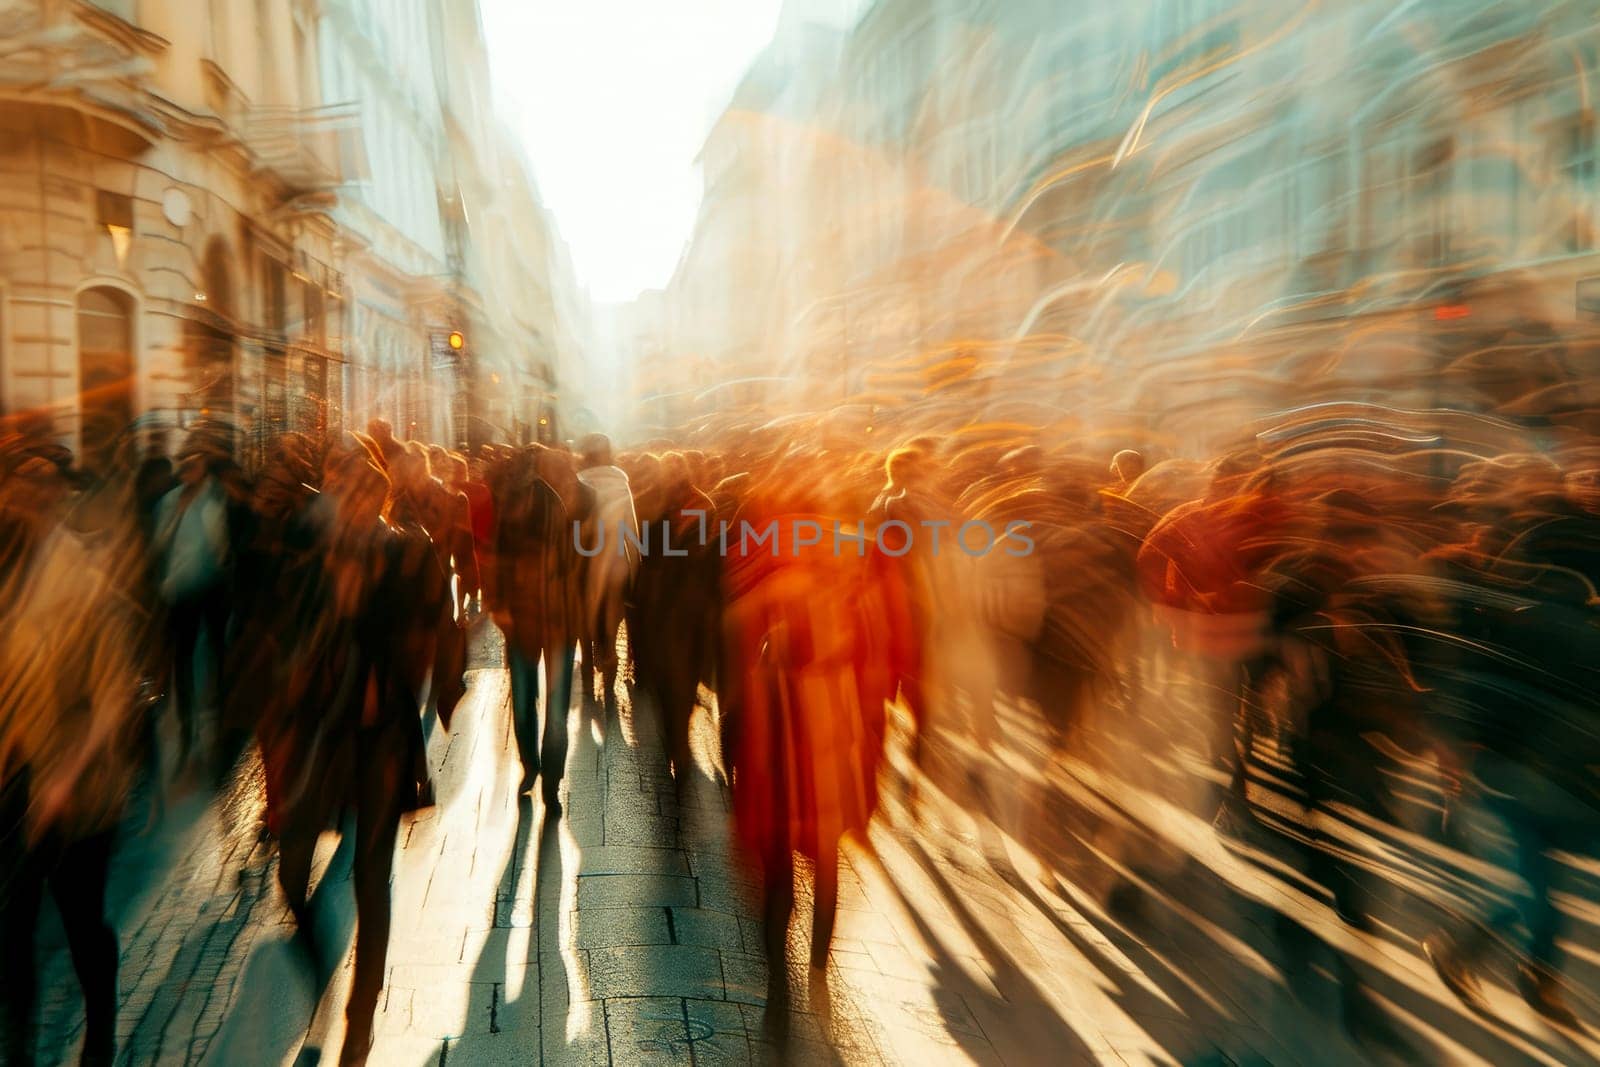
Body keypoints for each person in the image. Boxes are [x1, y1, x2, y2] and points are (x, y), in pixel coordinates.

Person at [151, 430, 234, 768]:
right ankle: (187, 730)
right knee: (182, 662)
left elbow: (225, 544)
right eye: (185, 464)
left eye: (196, 464)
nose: (190, 470)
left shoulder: (217, 498)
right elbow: (159, 544)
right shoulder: (170, 502)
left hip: (212, 588)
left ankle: (217, 725)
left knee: (216, 655)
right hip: (179, 589)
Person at [575, 433, 639, 720]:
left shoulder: (579, 480)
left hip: (583, 563)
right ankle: (609, 684)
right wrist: (636, 570)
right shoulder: (620, 480)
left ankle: (588, 684)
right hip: (615, 563)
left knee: (584, 629)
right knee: (611, 632)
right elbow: (632, 528)